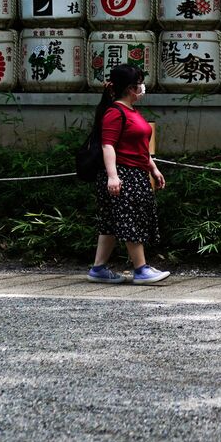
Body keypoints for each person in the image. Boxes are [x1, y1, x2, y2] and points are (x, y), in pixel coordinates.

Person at [86, 64, 171, 284]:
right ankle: (141, 269)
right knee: (130, 220)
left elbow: (139, 146)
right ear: (131, 88)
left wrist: (152, 168)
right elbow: (108, 146)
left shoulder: (130, 111)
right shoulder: (115, 112)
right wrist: (113, 176)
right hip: (124, 175)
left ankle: (98, 268)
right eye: (139, 84)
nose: (142, 87)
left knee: (111, 223)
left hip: (135, 172)